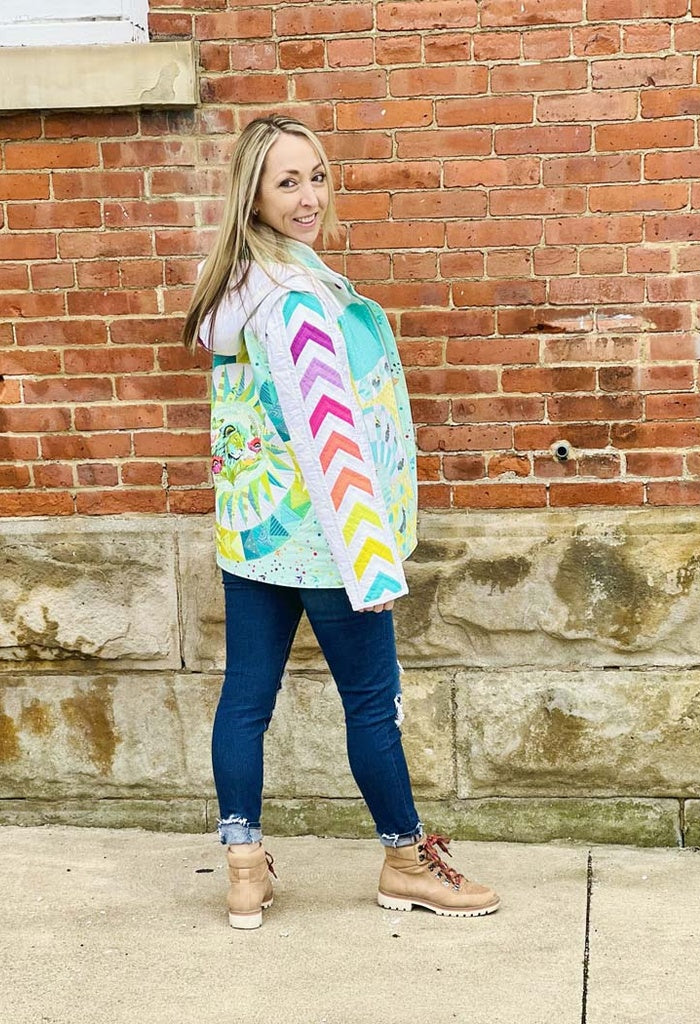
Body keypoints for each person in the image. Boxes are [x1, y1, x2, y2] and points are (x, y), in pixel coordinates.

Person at [182, 115, 499, 929]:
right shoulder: (292, 301)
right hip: (327, 544)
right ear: (252, 195)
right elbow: (331, 439)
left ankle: (244, 870)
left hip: (257, 539)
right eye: (288, 182)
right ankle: (407, 863)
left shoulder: (242, 287)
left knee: (246, 700)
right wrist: (373, 562)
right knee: (372, 704)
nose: (310, 197)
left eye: (317, 176)